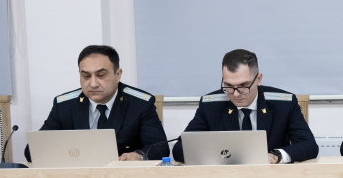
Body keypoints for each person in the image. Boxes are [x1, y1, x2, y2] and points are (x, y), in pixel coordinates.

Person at [24, 45, 169, 162]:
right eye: (85, 76)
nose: (93, 84)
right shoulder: (65, 105)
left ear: (117, 75)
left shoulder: (139, 104)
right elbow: (33, 151)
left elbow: (160, 147)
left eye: (101, 75)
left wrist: (138, 155)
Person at [171, 49, 318, 163]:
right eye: (229, 86)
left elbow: (309, 145)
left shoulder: (284, 103)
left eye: (244, 85)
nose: (236, 94)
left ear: (258, 79)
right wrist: (219, 157)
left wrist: (276, 156)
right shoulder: (210, 105)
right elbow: (180, 149)